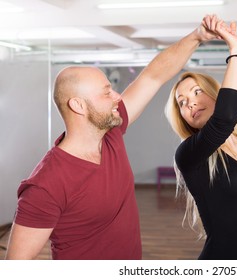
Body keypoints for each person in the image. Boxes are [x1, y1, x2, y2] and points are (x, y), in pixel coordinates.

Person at [5, 15, 221, 260]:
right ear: (78, 105)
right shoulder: (46, 184)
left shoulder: (111, 135)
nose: (117, 97)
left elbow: (153, 75)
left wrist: (196, 37)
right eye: (106, 92)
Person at [164, 19, 237, 260]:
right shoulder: (189, 155)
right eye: (182, 102)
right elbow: (224, 121)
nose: (191, 103)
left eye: (197, 92)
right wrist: (235, 51)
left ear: (216, 95)